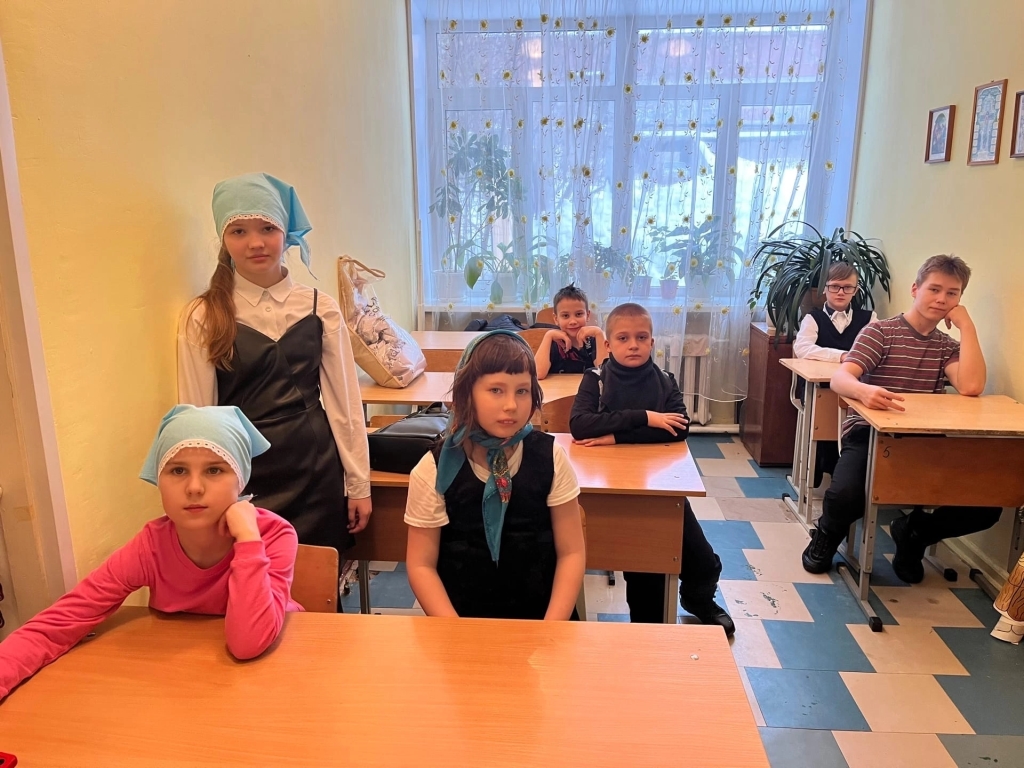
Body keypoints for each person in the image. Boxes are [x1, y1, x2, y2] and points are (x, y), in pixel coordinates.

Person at [0, 404, 301, 701]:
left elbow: (248, 644)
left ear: (241, 479)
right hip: (185, 680)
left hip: (270, 678)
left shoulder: (273, 535)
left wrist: (248, 539)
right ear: (159, 480)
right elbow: (58, 623)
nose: (194, 487)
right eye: (178, 470)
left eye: (214, 470)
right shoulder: (151, 547)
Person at [178, 173, 371, 573]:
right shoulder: (203, 315)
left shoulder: (320, 307)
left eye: (267, 228)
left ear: (287, 233)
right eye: (239, 231)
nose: (256, 242)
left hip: (316, 469)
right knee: (252, 585)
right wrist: (208, 494)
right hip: (244, 478)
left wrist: (358, 484)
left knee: (318, 585)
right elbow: (198, 420)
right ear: (223, 238)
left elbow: (345, 406)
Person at [801, 255, 1000, 583]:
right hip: (870, 433)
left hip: (924, 441)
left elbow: (971, 386)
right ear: (915, 289)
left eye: (952, 293)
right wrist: (864, 392)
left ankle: (915, 533)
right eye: (934, 289)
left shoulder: (946, 346)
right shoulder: (880, 332)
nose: (942, 299)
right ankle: (827, 534)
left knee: (987, 504)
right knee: (846, 494)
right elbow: (841, 379)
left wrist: (967, 326)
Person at [569, 303, 734, 635]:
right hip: (606, 489)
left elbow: (679, 428)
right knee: (643, 565)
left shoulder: (665, 381)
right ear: (608, 345)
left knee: (703, 562)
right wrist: (647, 418)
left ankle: (698, 600)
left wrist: (615, 435)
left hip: (659, 488)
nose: (633, 345)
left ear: (652, 342)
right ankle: (646, 634)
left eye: (641, 337)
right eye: (623, 338)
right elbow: (580, 425)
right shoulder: (596, 379)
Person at [405, 331, 586, 619]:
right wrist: (455, 632)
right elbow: (420, 565)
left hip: (544, 623)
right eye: (496, 390)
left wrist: (551, 630)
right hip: (461, 625)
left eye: (522, 391)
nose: (511, 405)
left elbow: (572, 553)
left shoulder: (551, 457)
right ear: (467, 394)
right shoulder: (433, 470)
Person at [792, 262, 878, 487]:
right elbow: (803, 348)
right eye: (835, 286)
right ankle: (818, 474)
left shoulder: (869, 318)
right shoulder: (813, 318)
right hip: (819, 389)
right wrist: (841, 356)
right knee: (823, 419)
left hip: (855, 389)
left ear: (856, 290)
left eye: (847, 287)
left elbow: (876, 349)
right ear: (825, 289)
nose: (841, 292)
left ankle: (849, 478)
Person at [535, 283, 607, 379]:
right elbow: (538, 374)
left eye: (578, 314)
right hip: (560, 388)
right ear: (556, 319)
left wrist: (599, 333)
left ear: (587, 315)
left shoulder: (594, 340)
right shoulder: (553, 342)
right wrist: (548, 335)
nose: (573, 321)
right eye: (565, 316)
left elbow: (605, 374)